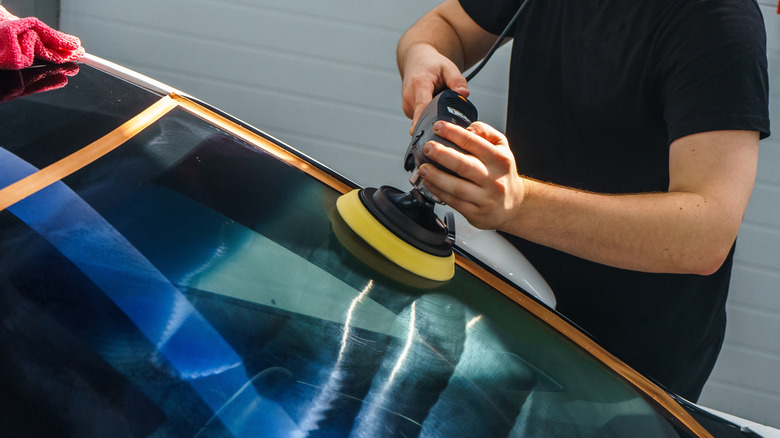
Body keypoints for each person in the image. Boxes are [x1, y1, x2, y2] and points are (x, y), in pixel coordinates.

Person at [396, 0, 770, 401]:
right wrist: (422, 55)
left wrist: (521, 204)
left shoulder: (717, 20)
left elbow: (706, 234)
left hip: (622, 378)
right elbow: (447, 24)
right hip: (511, 314)